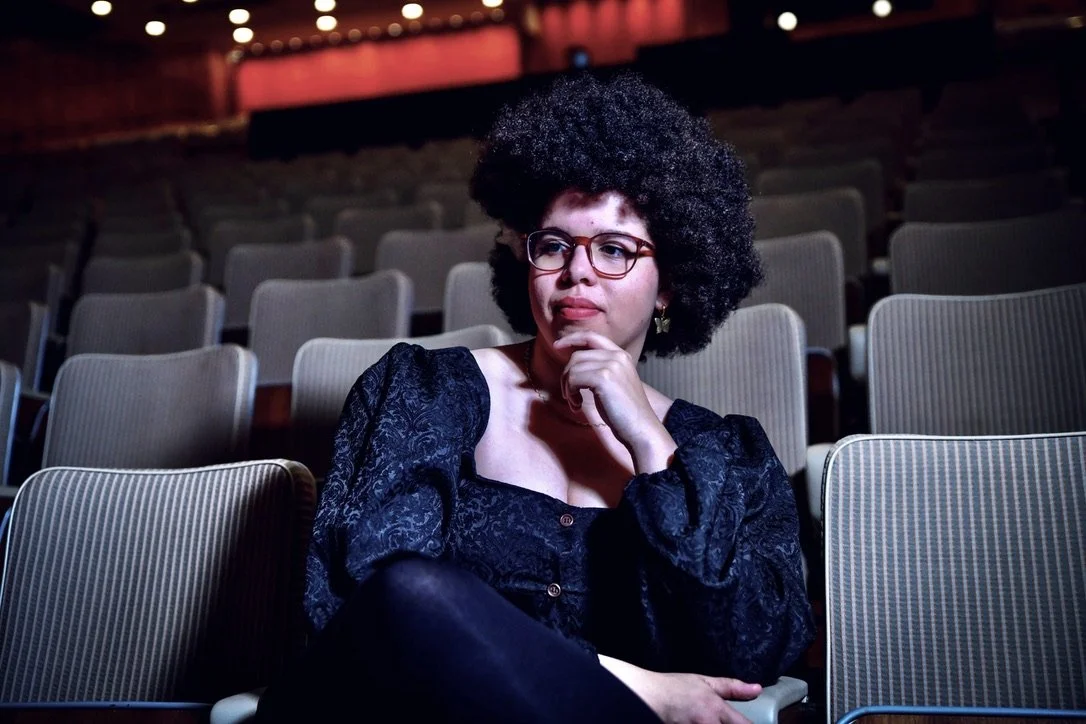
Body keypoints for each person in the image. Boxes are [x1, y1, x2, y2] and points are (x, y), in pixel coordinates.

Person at [257, 72, 814, 723]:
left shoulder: (727, 454)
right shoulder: (426, 390)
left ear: (669, 285)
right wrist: (632, 684)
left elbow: (754, 650)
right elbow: (377, 599)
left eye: (614, 249)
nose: (578, 270)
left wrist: (653, 448)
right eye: (554, 245)